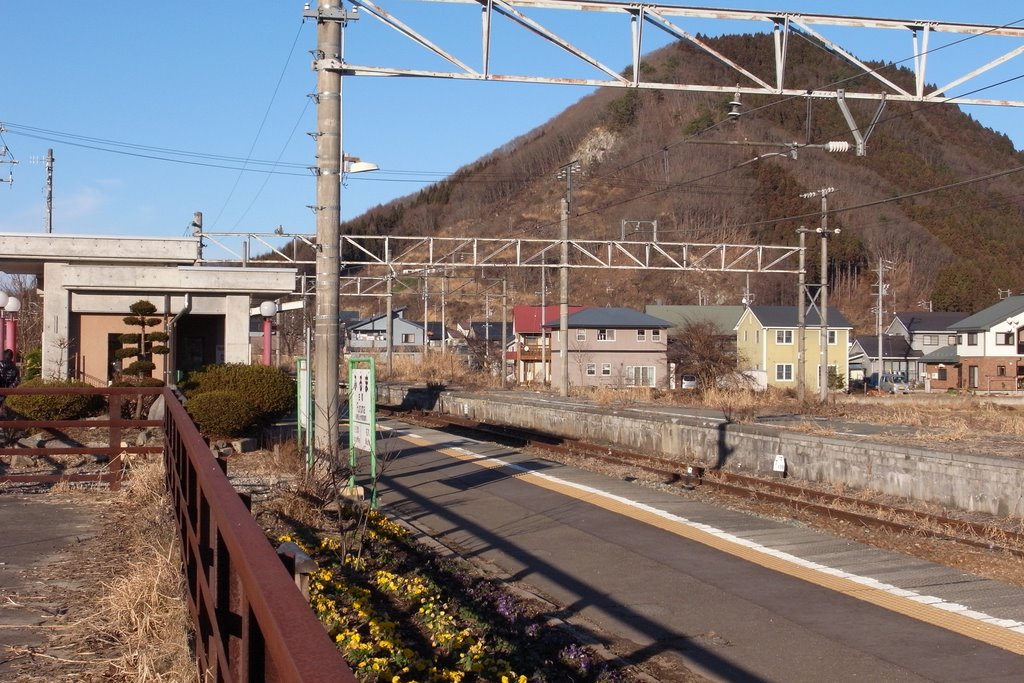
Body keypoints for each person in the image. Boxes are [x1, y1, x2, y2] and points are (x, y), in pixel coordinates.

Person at [0, 349, 19, 415]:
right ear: (11, 357)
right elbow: (17, 381)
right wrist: (10, 389)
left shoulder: (0, 364)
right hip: (8, 391)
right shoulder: (15, 368)